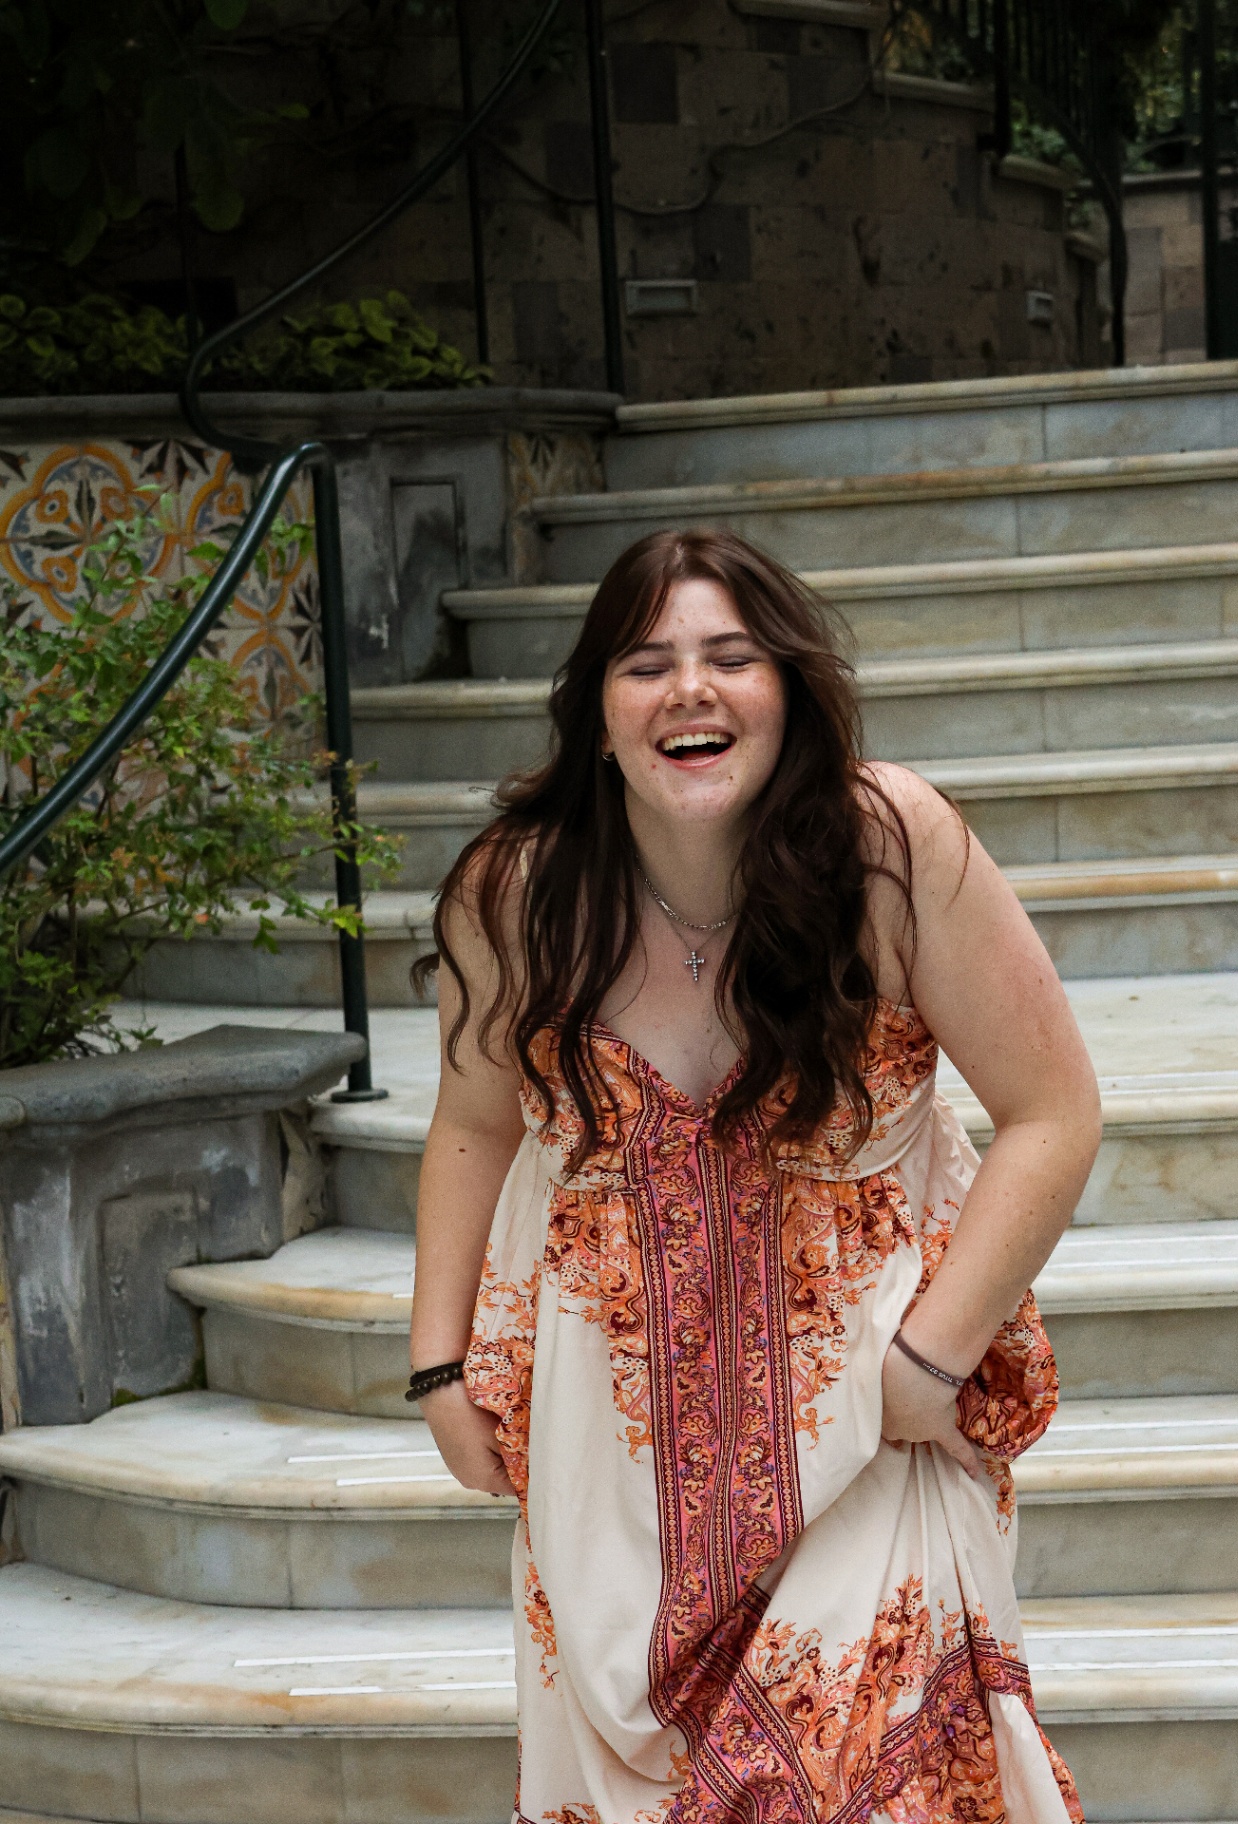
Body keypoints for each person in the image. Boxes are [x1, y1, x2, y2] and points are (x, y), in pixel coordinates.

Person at [409, 527, 1101, 1824]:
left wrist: (927, 1364)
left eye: (730, 656)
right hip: (604, 1478)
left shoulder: (888, 850)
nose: (689, 689)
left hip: (870, 1442)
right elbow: (471, 1121)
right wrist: (441, 1359)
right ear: (595, 711)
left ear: (787, 688)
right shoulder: (519, 894)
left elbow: (1053, 1109)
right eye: (644, 662)